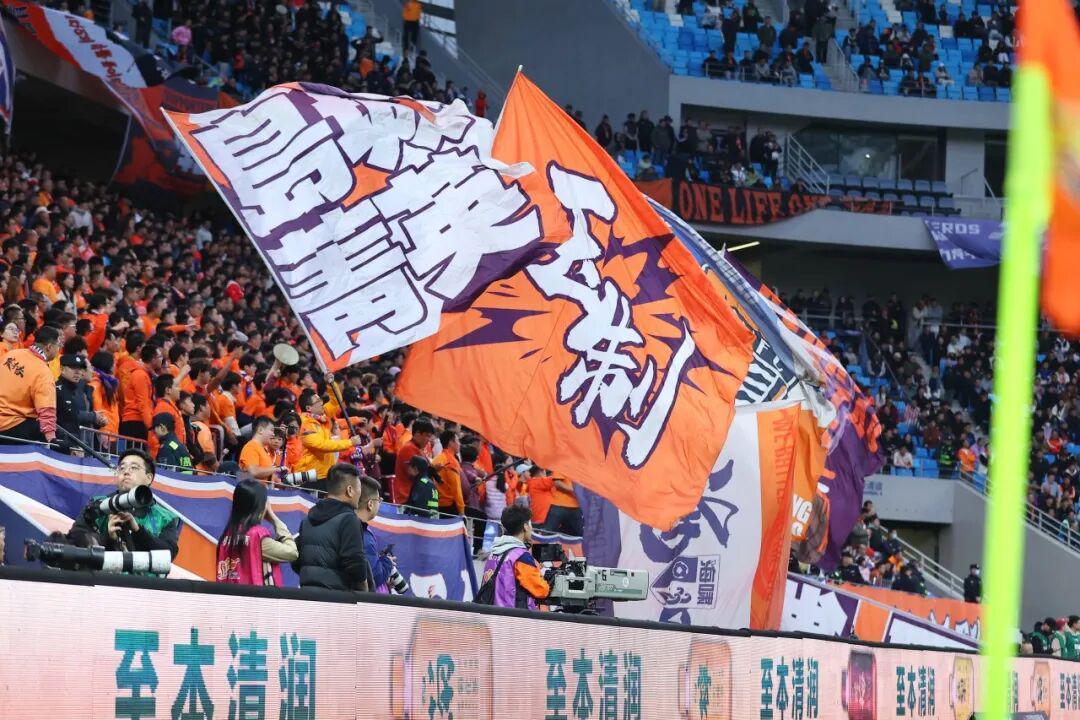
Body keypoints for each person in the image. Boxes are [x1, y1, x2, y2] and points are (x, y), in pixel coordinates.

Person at [71, 448, 180, 557]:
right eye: (122, 468)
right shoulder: (98, 505)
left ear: (149, 478)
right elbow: (75, 537)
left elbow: (169, 554)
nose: (126, 472)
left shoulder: (165, 517)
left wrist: (138, 531)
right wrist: (108, 538)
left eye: (134, 467)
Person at [293, 463, 372, 591]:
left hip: (306, 593)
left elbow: (296, 559)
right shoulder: (349, 520)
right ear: (350, 490)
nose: (360, 494)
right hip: (337, 597)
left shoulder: (306, 520)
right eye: (359, 489)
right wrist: (365, 592)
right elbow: (355, 564)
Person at [216, 478, 297, 586]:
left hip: (228, 595)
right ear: (260, 507)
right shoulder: (258, 538)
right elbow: (292, 552)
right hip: (254, 595)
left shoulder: (227, 535)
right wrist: (274, 519)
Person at [476, 504, 550, 609]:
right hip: (513, 616)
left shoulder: (494, 552)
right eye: (530, 524)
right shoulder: (521, 556)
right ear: (525, 526)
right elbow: (541, 591)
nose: (531, 528)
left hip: (492, 613)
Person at [0, 324, 60, 443]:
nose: (59, 349)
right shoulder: (44, 373)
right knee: (59, 435)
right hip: (11, 426)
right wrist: (51, 438)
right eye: (58, 345)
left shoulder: (13, 354)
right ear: (49, 347)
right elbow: (46, 410)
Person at [295, 387, 365, 483]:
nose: (321, 403)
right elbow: (321, 445)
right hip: (311, 475)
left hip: (323, 472)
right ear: (308, 408)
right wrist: (350, 442)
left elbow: (336, 400)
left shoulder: (320, 417)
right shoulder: (305, 423)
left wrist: (329, 383)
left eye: (320, 399)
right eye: (318, 401)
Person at [355, 473, 395, 592]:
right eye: (379, 500)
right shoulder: (363, 535)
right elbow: (374, 577)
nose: (380, 503)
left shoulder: (345, 525)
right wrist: (387, 562)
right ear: (370, 504)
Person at [55, 353, 102, 447]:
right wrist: (93, 417)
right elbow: (65, 418)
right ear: (62, 369)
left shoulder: (78, 390)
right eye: (73, 368)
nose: (77, 372)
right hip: (62, 444)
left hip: (78, 443)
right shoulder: (56, 389)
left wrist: (98, 421)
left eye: (80, 369)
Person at [392, 418, 434, 505]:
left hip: (416, 497)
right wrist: (433, 470)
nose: (429, 440)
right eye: (427, 436)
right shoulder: (408, 448)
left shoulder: (418, 448)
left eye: (430, 436)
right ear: (417, 433)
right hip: (408, 498)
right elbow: (416, 474)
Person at [239, 416, 284, 482]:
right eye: (271, 430)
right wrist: (276, 469)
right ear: (260, 430)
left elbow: (270, 477)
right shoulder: (251, 446)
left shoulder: (263, 450)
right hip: (254, 488)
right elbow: (253, 472)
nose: (273, 434)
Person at [433, 429, 464, 516]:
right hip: (449, 506)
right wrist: (461, 511)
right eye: (458, 441)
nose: (459, 444)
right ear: (451, 442)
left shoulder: (437, 459)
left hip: (436, 503)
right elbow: (456, 489)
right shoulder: (451, 462)